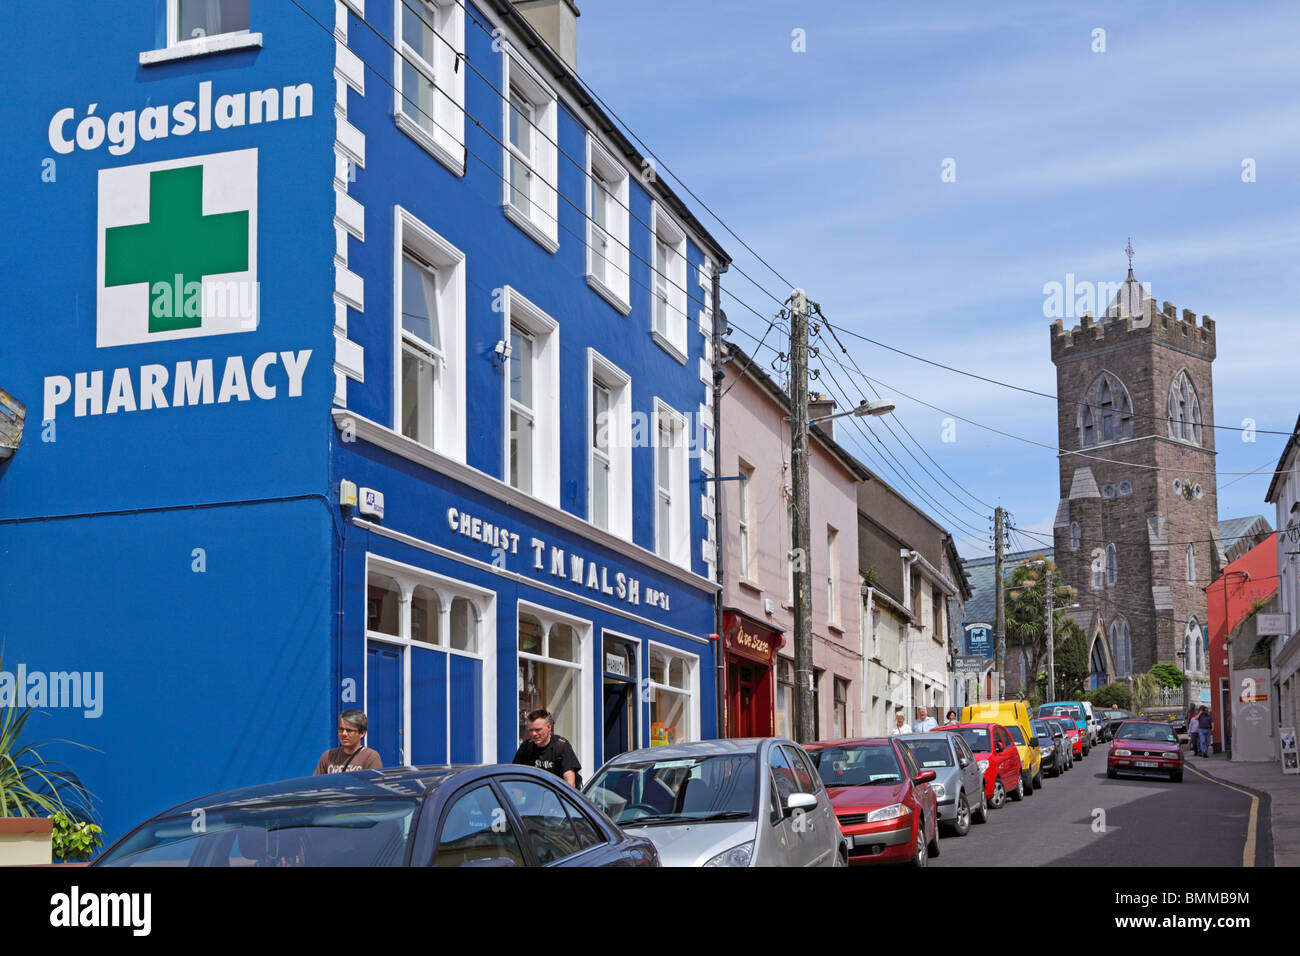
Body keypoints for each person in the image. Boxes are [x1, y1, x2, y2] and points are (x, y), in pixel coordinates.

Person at [513, 709, 582, 787]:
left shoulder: (561, 746)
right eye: (530, 730)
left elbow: (570, 784)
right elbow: (516, 781)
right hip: (534, 795)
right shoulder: (526, 747)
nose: (534, 734)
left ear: (549, 727)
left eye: (538, 730)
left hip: (558, 795)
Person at [314, 709, 383, 774]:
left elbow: (372, 785)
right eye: (341, 729)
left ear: (362, 733)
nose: (344, 734)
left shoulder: (370, 757)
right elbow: (317, 784)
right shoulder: (328, 756)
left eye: (349, 730)